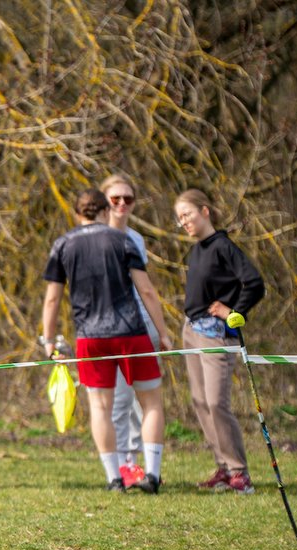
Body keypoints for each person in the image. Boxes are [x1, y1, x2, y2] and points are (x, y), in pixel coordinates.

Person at [42, 189, 172, 493]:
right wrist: (163, 332)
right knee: (151, 402)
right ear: (104, 211)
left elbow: (52, 299)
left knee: (100, 408)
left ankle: (114, 478)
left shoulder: (62, 244)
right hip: (131, 333)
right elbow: (148, 291)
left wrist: (48, 340)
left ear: (77, 214)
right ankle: (152, 475)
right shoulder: (121, 240)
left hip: (90, 338)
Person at [175, 189, 264, 494]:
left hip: (215, 332)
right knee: (200, 402)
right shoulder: (196, 249)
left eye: (187, 214)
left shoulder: (223, 246)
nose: (183, 221)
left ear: (205, 210)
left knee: (216, 402)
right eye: (179, 218)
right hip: (191, 329)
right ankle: (224, 469)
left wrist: (233, 312)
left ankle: (240, 473)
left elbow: (254, 283)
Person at [101, 174, 161, 487]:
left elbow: (146, 288)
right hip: (111, 328)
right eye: (115, 198)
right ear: (104, 202)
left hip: (143, 324)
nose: (122, 204)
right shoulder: (94, 237)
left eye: (128, 198)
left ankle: (138, 465)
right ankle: (122, 465)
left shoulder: (136, 239)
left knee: (145, 400)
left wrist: (160, 329)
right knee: (118, 401)